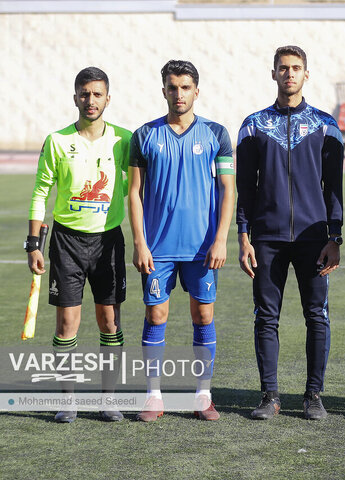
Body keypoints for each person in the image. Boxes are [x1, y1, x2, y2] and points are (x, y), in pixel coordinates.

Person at [236, 46, 343, 420]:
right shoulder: (253, 124)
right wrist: (244, 236)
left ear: (306, 74)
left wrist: (336, 236)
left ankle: (313, 395)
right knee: (266, 316)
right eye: (283, 68)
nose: (290, 74)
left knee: (317, 315)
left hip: (315, 238)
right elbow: (245, 187)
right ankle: (270, 395)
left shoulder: (325, 124)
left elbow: (333, 187)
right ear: (274, 74)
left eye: (296, 68)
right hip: (267, 238)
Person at [128, 60, 235, 422]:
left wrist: (221, 240)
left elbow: (228, 190)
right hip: (158, 248)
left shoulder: (216, 134)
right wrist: (140, 243)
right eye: (172, 87)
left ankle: (203, 395)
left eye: (185, 87)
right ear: (164, 91)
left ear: (196, 91)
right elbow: (134, 194)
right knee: (156, 315)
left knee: (203, 314)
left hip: (202, 248)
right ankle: (153, 396)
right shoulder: (144, 135)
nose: (179, 94)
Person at [27, 67, 131, 423]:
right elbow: (41, 192)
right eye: (85, 94)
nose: (91, 100)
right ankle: (67, 400)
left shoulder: (124, 140)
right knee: (66, 326)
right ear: (75, 98)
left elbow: (136, 190)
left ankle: (108, 400)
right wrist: (33, 243)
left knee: (109, 322)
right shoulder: (57, 140)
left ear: (108, 98)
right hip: (66, 242)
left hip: (109, 242)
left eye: (97, 94)